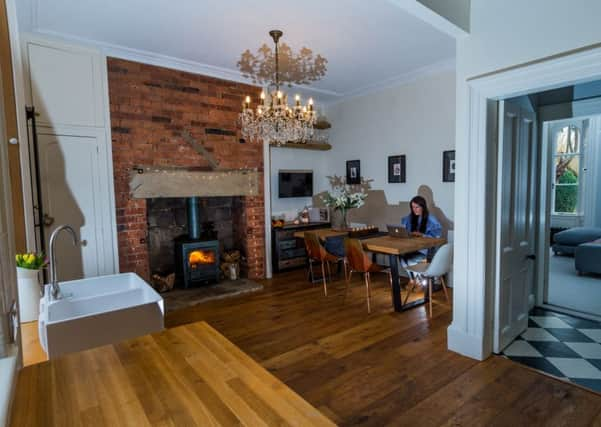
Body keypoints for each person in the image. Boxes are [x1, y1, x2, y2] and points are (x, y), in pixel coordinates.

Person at [400, 196, 442, 269]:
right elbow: (403, 226)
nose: (414, 210)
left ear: (423, 207)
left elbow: (437, 237)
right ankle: (413, 279)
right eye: (413, 207)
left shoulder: (431, 219)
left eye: (417, 207)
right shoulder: (410, 217)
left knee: (409, 260)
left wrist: (422, 235)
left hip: (426, 251)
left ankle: (416, 279)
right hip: (411, 248)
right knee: (401, 256)